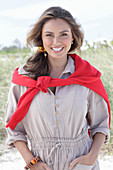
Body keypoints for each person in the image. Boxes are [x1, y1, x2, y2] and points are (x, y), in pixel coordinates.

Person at [5, 6, 110, 170]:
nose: (56, 41)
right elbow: (14, 129)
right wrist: (31, 162)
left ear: (73, 38)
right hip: (42, 165)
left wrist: (91, 157)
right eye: (49, 35)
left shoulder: (87, 76)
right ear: (41, 38)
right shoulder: (23, 79)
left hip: (81, 164)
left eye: (63, 34)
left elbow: (101, 125)